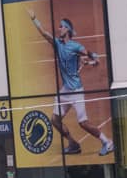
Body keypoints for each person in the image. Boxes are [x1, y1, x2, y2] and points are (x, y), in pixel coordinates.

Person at [28, 12, 113, 156]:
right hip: (65, 90)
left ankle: (107, 142)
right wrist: (34, 19)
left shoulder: (75, 46)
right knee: (55, 120)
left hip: (76, 91)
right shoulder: (57, 44)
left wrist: (92, 56)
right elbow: (44, 33)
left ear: (67, 29)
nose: (59, 28)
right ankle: (73, 144)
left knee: (83, 123)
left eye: (61, 26)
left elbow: (85, 52)